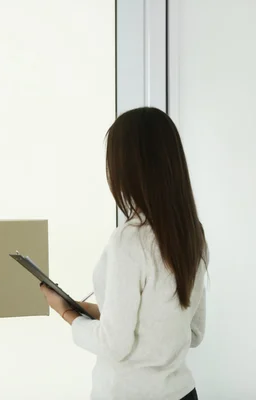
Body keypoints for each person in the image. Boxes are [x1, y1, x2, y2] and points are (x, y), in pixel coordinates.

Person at [41, 107, 207, 400]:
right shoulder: (193, 233)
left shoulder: (130, 240)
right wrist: (96, 312)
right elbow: (191, 331)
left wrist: (68, 314)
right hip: (183, 393)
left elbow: (115, 344)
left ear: (127, 169)